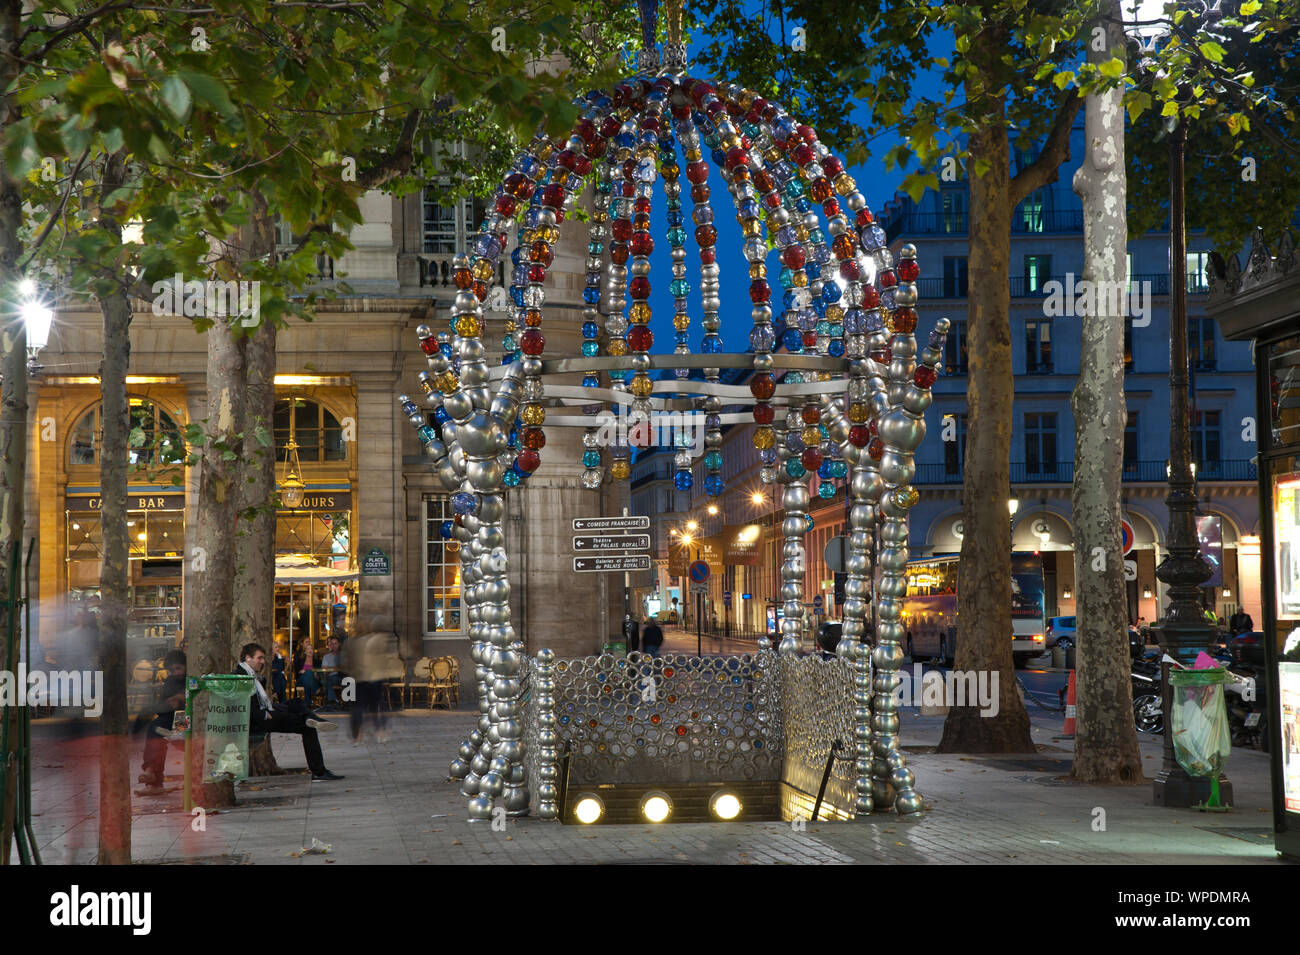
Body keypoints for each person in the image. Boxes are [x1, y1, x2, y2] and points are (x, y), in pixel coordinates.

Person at [237, 643, 344, 781]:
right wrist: (264, 714)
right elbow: (246, 702)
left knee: (296, 703)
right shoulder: (241, 675)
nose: (263, 661)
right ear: (248, 657)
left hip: (267, 709)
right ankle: (319, 771)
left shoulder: (248, 671)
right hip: (261, 718)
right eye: (260, 658)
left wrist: (261, 677)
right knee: (308, 727)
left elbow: (257, 696)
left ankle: (315, 720)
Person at [342, 617, 403, 744]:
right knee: (377, 706)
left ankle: (357, 735)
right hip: (374, 678)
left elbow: (344, 662)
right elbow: (388, 657)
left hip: (357, 679)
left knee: (357, 707)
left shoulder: (350, 642)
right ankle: (380, 731)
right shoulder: (374, 640)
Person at [137, 650, 187, 792]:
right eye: (172, 670)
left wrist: (181, 698)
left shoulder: (190, 678)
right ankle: (151, 773)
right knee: (155, 729)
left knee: (173, 731)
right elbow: (163, 707)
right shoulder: (170, 682)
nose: (176, 672)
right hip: (171, 718)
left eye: (178, 668)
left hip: (187, 719)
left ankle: (154, 776)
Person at [320, 635, 345, 708]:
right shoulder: (326, 656)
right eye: (332, 644)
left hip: (343, 676)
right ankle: (333, 701)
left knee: (349, 680)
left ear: (339, 644)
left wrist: (331, 668)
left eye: (335, 643)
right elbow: (324, 669)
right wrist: (337, 667)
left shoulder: (344, 655)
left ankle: (348, 703)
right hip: (332, 677)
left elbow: (346, 667)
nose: (334, 645)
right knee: (327, 680)